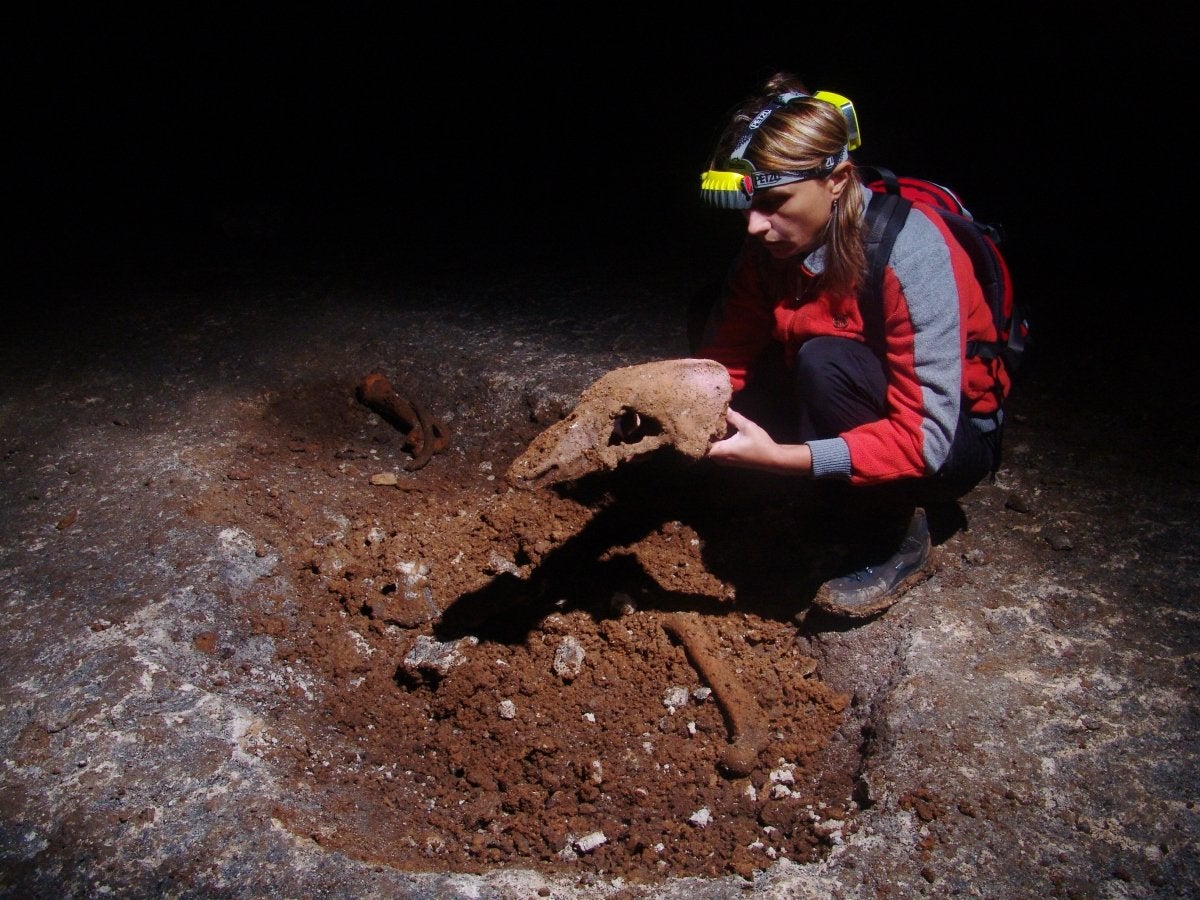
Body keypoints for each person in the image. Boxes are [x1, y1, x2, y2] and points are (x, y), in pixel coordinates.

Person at [693, 72, 1004, 620]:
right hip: (863, 398)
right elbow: (729, 355)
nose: (754, 226)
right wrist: (671, 409)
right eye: (747, 207)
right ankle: (829, 495)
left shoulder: (909, 253)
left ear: (836, 179)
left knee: (824, 359)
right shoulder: (770, 252)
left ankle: (896, 534)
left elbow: (926, 439)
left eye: (774, 202)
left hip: (948, 440)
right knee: (714, 323)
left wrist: (784, 460)